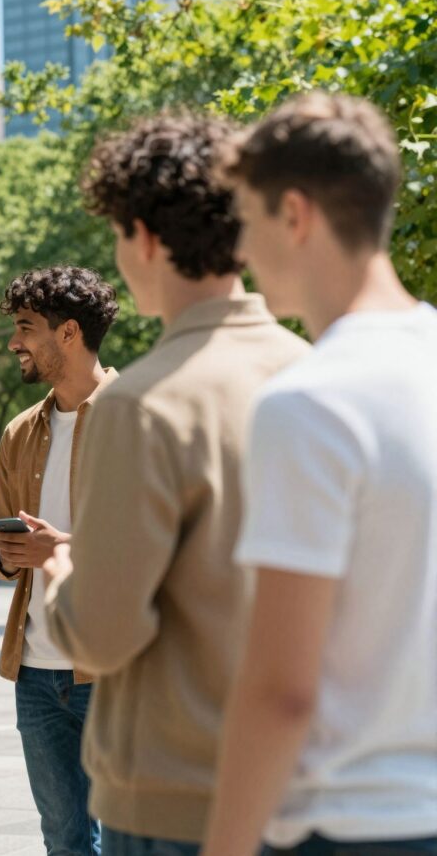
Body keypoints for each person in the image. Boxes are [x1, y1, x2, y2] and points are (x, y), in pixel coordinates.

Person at [40, 114, 310, 855]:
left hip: (175, 798)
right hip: (302, 783)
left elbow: (102, 629)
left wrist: (64, 573)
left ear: (147, 238)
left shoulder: (143, 402)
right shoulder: (313, 374)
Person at [202, 94, 437, 855]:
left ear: (295, 215)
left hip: (347, 825)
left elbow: (281, 690)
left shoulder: (310, 402)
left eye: (247, 220)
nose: (241, 250)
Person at [0, 265, 119, 856]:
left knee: (130, 838)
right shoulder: (19, 431)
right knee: (63, 840)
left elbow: (165, 546)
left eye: (25, 327)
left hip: (117, 670)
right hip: (37, 672)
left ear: (68, 333)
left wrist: (59, 547)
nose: (15, 342)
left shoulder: (138, 416)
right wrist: (10, 556)